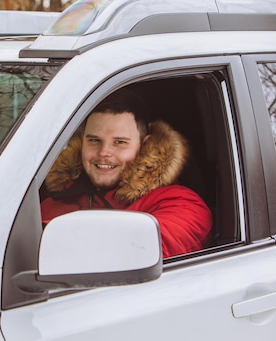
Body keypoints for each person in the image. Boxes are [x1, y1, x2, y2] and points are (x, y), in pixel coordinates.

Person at [41, 88, 212, 258]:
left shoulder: (181, 203)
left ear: (144, 145)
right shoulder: (49, 204)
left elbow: (141, 251)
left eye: (120, 142)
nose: (103, 152)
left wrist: (40, 239)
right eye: (94, 140)